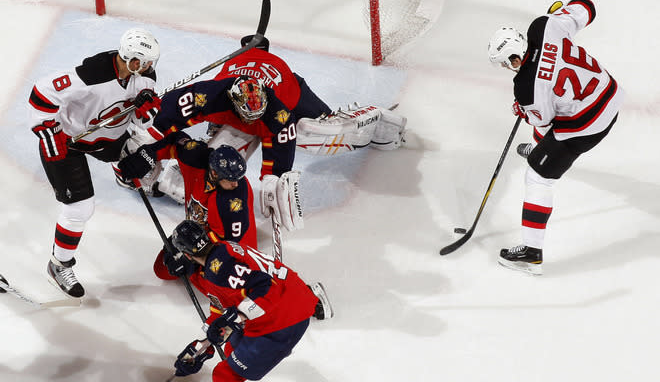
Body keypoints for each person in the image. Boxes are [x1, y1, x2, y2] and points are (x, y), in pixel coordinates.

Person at [146, 35, 406, 232]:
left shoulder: (278, 111)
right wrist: (147, 146)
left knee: (316, 133)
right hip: (235, 110)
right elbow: (169, 110)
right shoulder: (211, 95)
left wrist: (273, 178)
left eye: (256, 114)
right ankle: (200, 152)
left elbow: (282, 141)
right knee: (212, 163)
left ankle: (376, 121)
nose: (253, 119)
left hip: (292, 89)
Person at [487, 0, 624, 275]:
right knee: (550, 127)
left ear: (514, 56)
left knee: (538, 175)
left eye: (506, 62)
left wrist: (522, 110)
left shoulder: (526, 88)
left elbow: (545, 120)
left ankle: (531, 252)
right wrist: (560, 15)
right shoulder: (543, 26)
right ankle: (540, 150)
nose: (508, 67)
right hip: (610, 93)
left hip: (587, 125)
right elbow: (586, 7)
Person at [28, 27, 162, 297]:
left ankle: (122, 172)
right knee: (79, 208)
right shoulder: (90, 76)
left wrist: (146, 111)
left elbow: (140, 121)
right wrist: (50, 134)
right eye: (146, 62)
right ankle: (59, 264)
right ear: (133, 61)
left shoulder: (144, 77)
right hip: (69, 142)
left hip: (110, 138)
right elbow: (40, 95)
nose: (150, 67)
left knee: (149, 151)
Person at [165, 220, 333, 380]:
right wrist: (205, 344)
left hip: (285, 320)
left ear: (187, 256)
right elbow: (224, 302)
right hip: (291, 295)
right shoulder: (222, 250)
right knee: (232, 347)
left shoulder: (219, 270)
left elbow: (267, 288)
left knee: (225, 375)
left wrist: (236, 318)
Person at [116, 132, 259, 278]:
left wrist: (190, 256)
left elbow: (229, 240)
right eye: (230, 179)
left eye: (237, 178)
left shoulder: (233, 200)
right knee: (162, 269)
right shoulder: (196, 157)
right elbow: (175, 140)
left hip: (233, 247)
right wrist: (147, 156)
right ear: (215, 173)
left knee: (215, 277)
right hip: (199, 229)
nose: (236, 183)